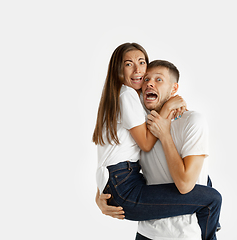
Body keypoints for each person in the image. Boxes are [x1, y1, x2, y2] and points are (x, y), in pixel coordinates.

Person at [93, 43, 222, 240]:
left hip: (183, 234)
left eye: (158, 79)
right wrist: (100, 195)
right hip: (147, 231)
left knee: (210, 192)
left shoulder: (191, 121)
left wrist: (166, 126)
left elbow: (188, 183)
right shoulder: (137, 113)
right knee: (212, 198)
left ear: (174, 88)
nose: (148, 83)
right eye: (146, 79)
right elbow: (119, 153)